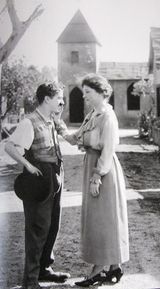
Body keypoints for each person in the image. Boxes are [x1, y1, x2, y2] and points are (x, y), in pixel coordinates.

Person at [5, 82, 76, 289]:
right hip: (38, 180)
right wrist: (27, 165)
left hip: (55, 176)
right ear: (47, 99)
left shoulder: (52, 120)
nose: (62, 102)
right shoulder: (30, 122)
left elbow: (69, 138)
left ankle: (44, 269)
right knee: (37, 228)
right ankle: (30, 280)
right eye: (59, 98)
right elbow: (10, 147)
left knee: (53, 225)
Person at [74, 74, 129, 287]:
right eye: (84, 92)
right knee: (101, 219)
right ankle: (114, 267)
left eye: (88, 92)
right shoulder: (92, 114)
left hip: (103, 170)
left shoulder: (107, 116)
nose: (85, 96)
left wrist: (97, 176)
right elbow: (77, 136)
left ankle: (97, 270)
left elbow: (108, 149)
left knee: (105, 219)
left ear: (100, 92)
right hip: (92, 164)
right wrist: (57, 127)